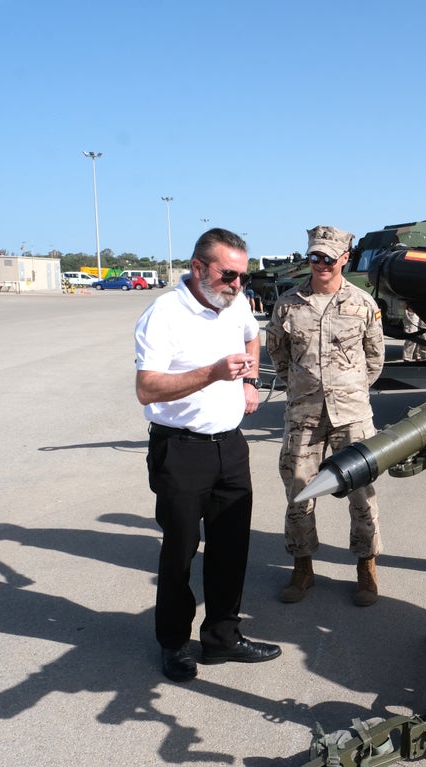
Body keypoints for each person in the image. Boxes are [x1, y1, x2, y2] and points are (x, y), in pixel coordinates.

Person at [135, 228, 281, 684]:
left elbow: (252, 337)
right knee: (180, 552)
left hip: (230, 446)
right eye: (228, 274)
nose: (237, 284)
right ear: (198, 267)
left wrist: (250, 381)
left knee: (232, 548)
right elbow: (147, 388)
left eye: (243, 276)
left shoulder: (235, 304)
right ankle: (173, 642)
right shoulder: (164, 314)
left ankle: (222, 637)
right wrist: (214, 373)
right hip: (180, 450)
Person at [265, 226, 386, 607]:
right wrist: (302, 387)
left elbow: (375, 359)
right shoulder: (288, 303)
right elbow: (278, 354)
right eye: (314, 256)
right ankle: (303, 567)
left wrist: (348, 388)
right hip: (304, 414)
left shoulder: (363, 303)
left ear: (344, 259)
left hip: (351, 415)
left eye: (328, 258)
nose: (320, 264)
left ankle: (366, 567)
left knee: (362, 495)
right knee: (299, 492)